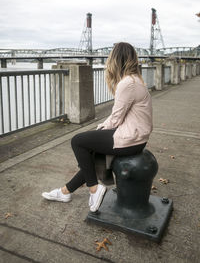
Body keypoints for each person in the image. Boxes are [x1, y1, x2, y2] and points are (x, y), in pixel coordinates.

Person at [42, 42, 153, 212]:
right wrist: (101, 129)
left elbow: (116, 118)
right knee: (91, 155)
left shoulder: (127, 83)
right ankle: (65, 191)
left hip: (131, 139)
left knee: (78, 141)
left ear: (115, 59)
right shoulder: (135, 80)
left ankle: (94, 189)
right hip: (137, 137)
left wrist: (99, 130)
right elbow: (119, 117)